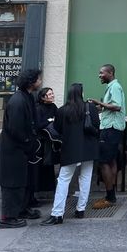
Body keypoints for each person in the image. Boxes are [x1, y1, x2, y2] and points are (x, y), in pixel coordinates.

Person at [40, 83, 100, 225]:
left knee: (63, 180)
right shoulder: (90, 107)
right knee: (85, 178)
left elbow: (57, 129)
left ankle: (57, 213)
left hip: (70, 149)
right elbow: (96, 125)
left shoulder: (62, 111)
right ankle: (81, 209)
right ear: (81, 93)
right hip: (89, 148)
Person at [0, 69, 42, 228]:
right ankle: (7, 218)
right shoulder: (18, 101)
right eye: (38, 79)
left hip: (21, 150)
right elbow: (16, 128)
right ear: (31, 82)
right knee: (12, 184)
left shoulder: (27, 97)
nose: (40, 82)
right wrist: (28, 142)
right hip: (14, 150)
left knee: (21, 181)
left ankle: (21, 209)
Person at [90, 64, 126, 209]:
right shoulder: (111, 87)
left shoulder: (115, 87)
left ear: (110, 73)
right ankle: (111, 195)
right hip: (112, 127)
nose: (99, 75)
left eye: (101, 73)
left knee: (104, 162)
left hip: (110, 128)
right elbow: (111, 107)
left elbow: (117, 106)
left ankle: (110, 197)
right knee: (111, 161)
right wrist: (100, 107)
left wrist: (98, 102)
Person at [29, 87, 59, 205]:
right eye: (49, 94)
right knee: (37, 169)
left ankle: (45, 190)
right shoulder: (38, 109)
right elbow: (38, 125)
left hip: (49, 143)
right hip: (40, 144)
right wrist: (50, 120)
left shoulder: (54, 107)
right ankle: (33, 195)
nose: (52, 95)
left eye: (52, 93)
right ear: (43, 97)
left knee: (48, 166)